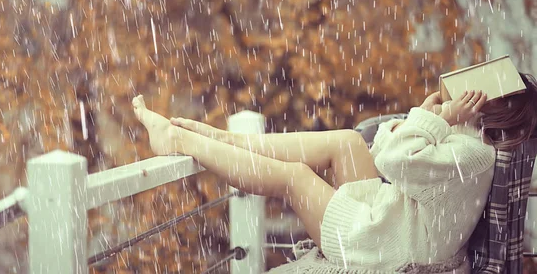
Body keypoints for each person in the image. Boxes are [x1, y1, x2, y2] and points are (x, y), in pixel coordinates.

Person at [131, 73, 537, 272]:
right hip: (398, 223)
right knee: (347, 141)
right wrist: (434, 118)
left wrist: (437, 118)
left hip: (388, 249)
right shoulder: (471, 144)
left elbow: (395, 162)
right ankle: (220, 138)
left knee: (295, 178)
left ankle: (179, 142)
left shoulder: (470, 153)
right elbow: (383, 153)